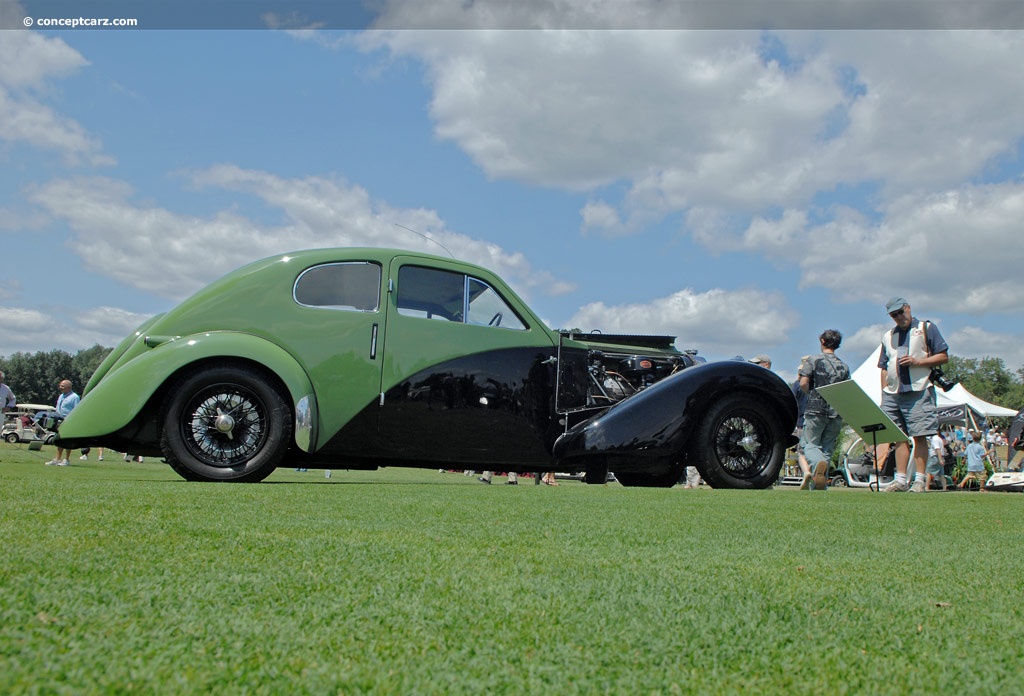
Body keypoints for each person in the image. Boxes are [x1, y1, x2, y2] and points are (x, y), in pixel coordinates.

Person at [877, 297, 949, 493]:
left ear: (908, 308)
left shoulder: (926, 328)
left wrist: (917, 362)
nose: (899, 317)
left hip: (918, 389)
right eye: (894, 315)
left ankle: (919, 480)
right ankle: (900, 480)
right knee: (897, 437)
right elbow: (883, 366)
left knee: (919, 436)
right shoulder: (888, 336)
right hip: (892, 393)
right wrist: (884, 391)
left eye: (901, 312)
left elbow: (943, 356)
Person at [799, 330, 850, 491]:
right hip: (836, 410)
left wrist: (810, 393)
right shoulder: (844, 366)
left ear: (822, 341)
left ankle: (816, 465)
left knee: (810, 444)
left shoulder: (813, 360)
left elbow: (803, 383)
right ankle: (820, 483)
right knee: (827, 447)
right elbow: (846, 389)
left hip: (816, 407)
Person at [45, 379, 80, 467]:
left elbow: (77, 410)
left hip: (68, 421)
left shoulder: (74, 397)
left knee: (67, 440)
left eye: (62, 386)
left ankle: (66, 460)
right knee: (59, 440)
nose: (60, 387)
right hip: (59, 421)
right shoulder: (61, 396)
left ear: (69, 387)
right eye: (60, 386)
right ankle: (57, 459)